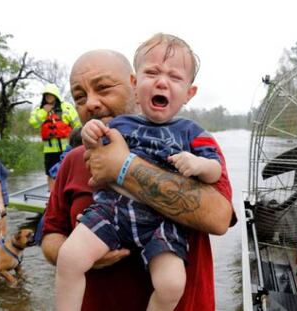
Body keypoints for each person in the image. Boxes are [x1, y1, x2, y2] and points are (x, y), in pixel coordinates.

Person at [41, 49, 235, 311]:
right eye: (79, 97)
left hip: (176, 281)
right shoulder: (71, 160)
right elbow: (51, 233)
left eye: (104, 88)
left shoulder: (191, 141)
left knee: (170, 284)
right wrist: (75, 252)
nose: (91, 103)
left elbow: (219, 217)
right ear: (138, 84)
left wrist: (124, 167)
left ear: (132, 88)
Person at [29, 83, 81, 190]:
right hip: (49, 150)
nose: (49, 97)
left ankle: (69, 191)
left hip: (66, 148)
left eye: (51, 95)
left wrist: (78, 143)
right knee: (50, 173)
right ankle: (52, 197)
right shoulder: (39, 110)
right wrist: (44, 112)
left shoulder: (66, 107)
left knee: (68, 171)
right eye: (46, 95)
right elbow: (33, 123)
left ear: (56, 95)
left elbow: (77, 125)